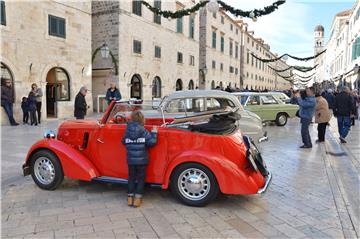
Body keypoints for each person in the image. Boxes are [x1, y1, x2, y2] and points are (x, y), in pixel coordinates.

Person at [122, 111, 157, 208]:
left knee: (131, 178)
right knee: (141, 179)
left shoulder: (127, 130)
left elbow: (123, 141)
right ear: (142, 119)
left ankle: (129, 199)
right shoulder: (143, 130)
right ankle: (137, 200)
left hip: (131, 160)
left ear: (132, 118)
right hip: (142, 160)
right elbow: (152, 143)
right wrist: (154, 133)